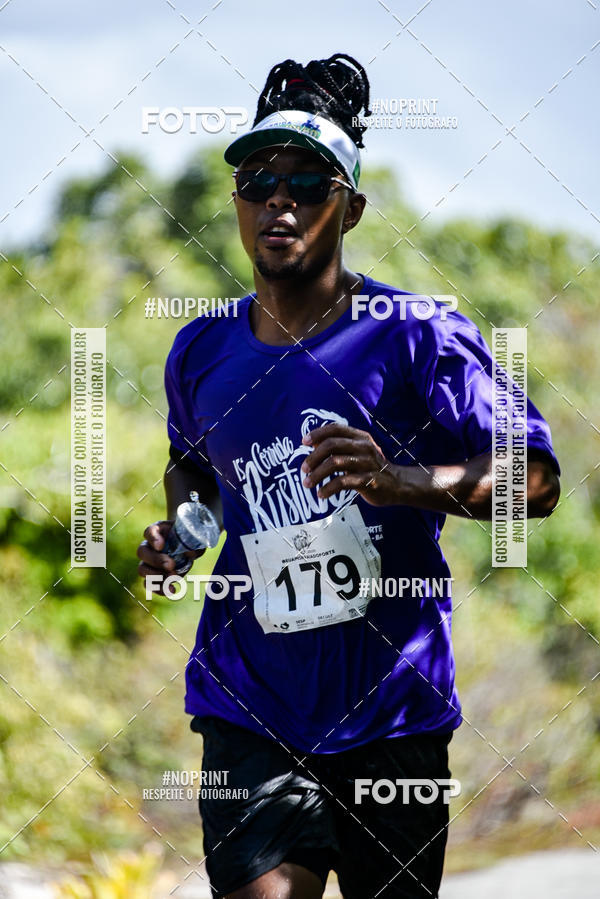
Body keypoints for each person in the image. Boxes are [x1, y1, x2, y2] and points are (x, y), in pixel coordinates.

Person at [137, 53, 561, 899]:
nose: (278, 201)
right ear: (237, 205)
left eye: (305, 182)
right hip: (249, 701)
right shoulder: (202, 349)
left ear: (351, 208)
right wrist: (187, 528)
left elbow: (537, 481)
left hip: (392, 713)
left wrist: (400, 481)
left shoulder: (417, 333)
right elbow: (193, 466)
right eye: (258, 182)